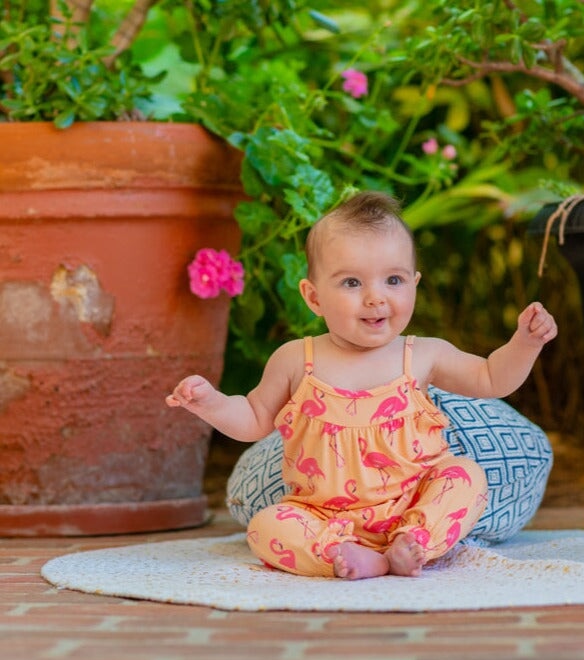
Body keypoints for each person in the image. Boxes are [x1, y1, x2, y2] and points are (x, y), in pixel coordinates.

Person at [166, 191, 557, 580]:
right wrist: (210, 403)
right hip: (321, 516)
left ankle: (415, 542)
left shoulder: (422, 355)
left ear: (414, 284)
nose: (376, 298)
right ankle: (343, 555)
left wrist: (525, 343)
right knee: (265, 525)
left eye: (393, 280)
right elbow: (253, 419)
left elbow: (492, 378)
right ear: (314, 297)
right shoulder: (295, 359)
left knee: (466, 475)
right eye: (352, 282)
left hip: (413, 503)